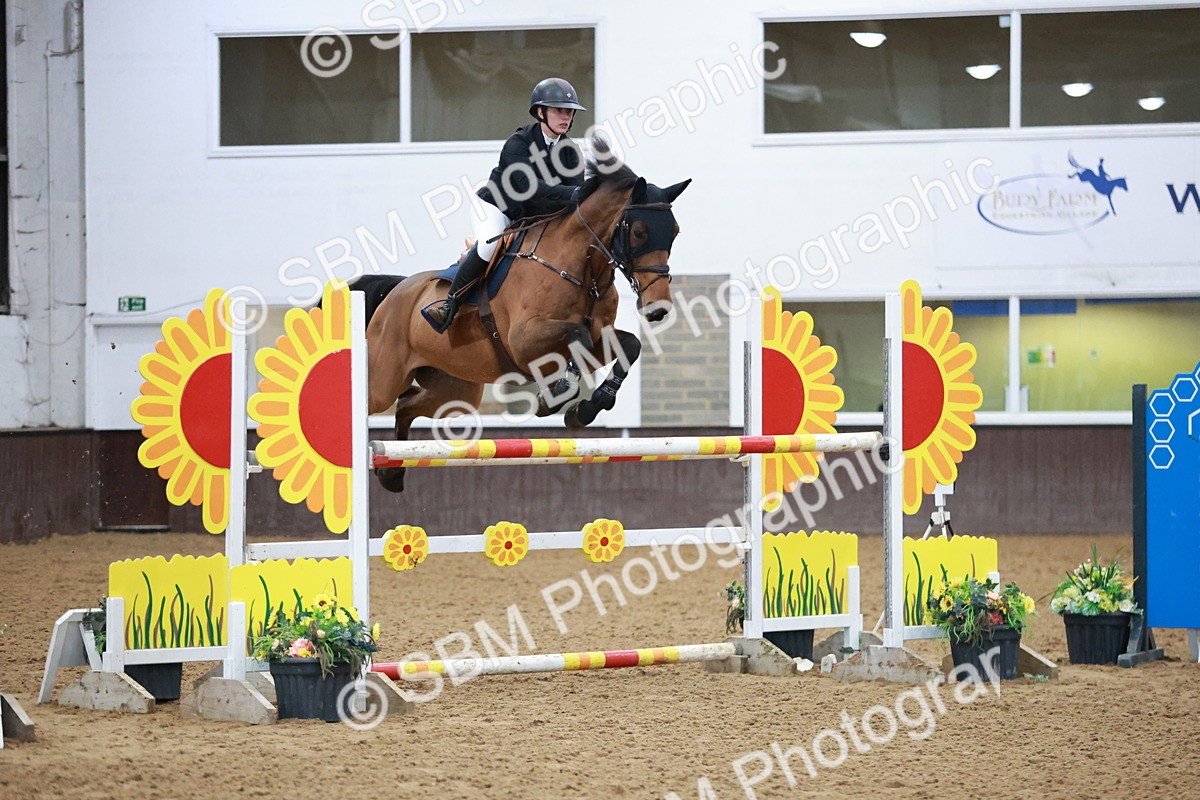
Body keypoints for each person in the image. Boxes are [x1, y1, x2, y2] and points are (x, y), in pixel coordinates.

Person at [422, 77, 588, 333]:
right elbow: (530, 189)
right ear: (540, 112)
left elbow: (572, 200)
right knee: (490, 245)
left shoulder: (571, 152)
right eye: (559, 110)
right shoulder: (518, 143)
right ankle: (449, 305)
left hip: (534, 216)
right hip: (497, 208)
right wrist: (577, 193)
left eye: (569, 111)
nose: (566, 117)